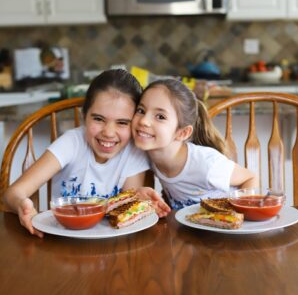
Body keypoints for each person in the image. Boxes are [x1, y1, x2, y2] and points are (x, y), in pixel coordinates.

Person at [4, 69, 169, 237]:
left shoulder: (134, 152)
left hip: (110, 245)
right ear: (85, 115)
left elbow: (125, 213)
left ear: (135, 122)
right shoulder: (71, 143)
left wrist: (138, 198)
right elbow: (13, 193)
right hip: (62, 239)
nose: (109, 133)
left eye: (122, 122)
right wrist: (21, 203)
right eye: (98, 119)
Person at [132, 78, 259, 210]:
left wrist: (242, 214)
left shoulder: (207, 164)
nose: (144, 121)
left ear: (183, 133)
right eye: (141, 110)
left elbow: (250, 177)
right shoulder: (148, 153)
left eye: (160, 117)